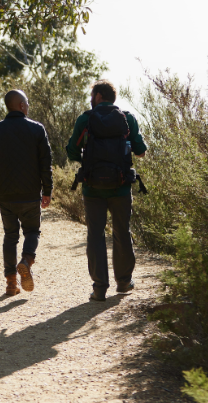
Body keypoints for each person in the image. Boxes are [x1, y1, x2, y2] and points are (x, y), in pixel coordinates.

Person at [66, 79, 147, 302]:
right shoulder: (127, 118)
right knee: (122, 232)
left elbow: (72, 150)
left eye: (93, 95)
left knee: (95, 235)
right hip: (121, 188)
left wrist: (86, 159)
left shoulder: (85, 119)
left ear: (99, 96)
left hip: (92, 188)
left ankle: (99, 288)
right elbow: (140, 151)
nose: (91, 99)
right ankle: (123, 282)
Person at [0, 90, 53, 296]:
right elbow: (45, 164)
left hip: (5, 196)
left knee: (10, 236)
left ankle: (11, 284)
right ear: (21, 105)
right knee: (32, 232)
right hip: (30, 194)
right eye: (27, 103)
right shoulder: (36, 129)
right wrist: (47, 190)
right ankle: (26, 260)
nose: (28, 105)